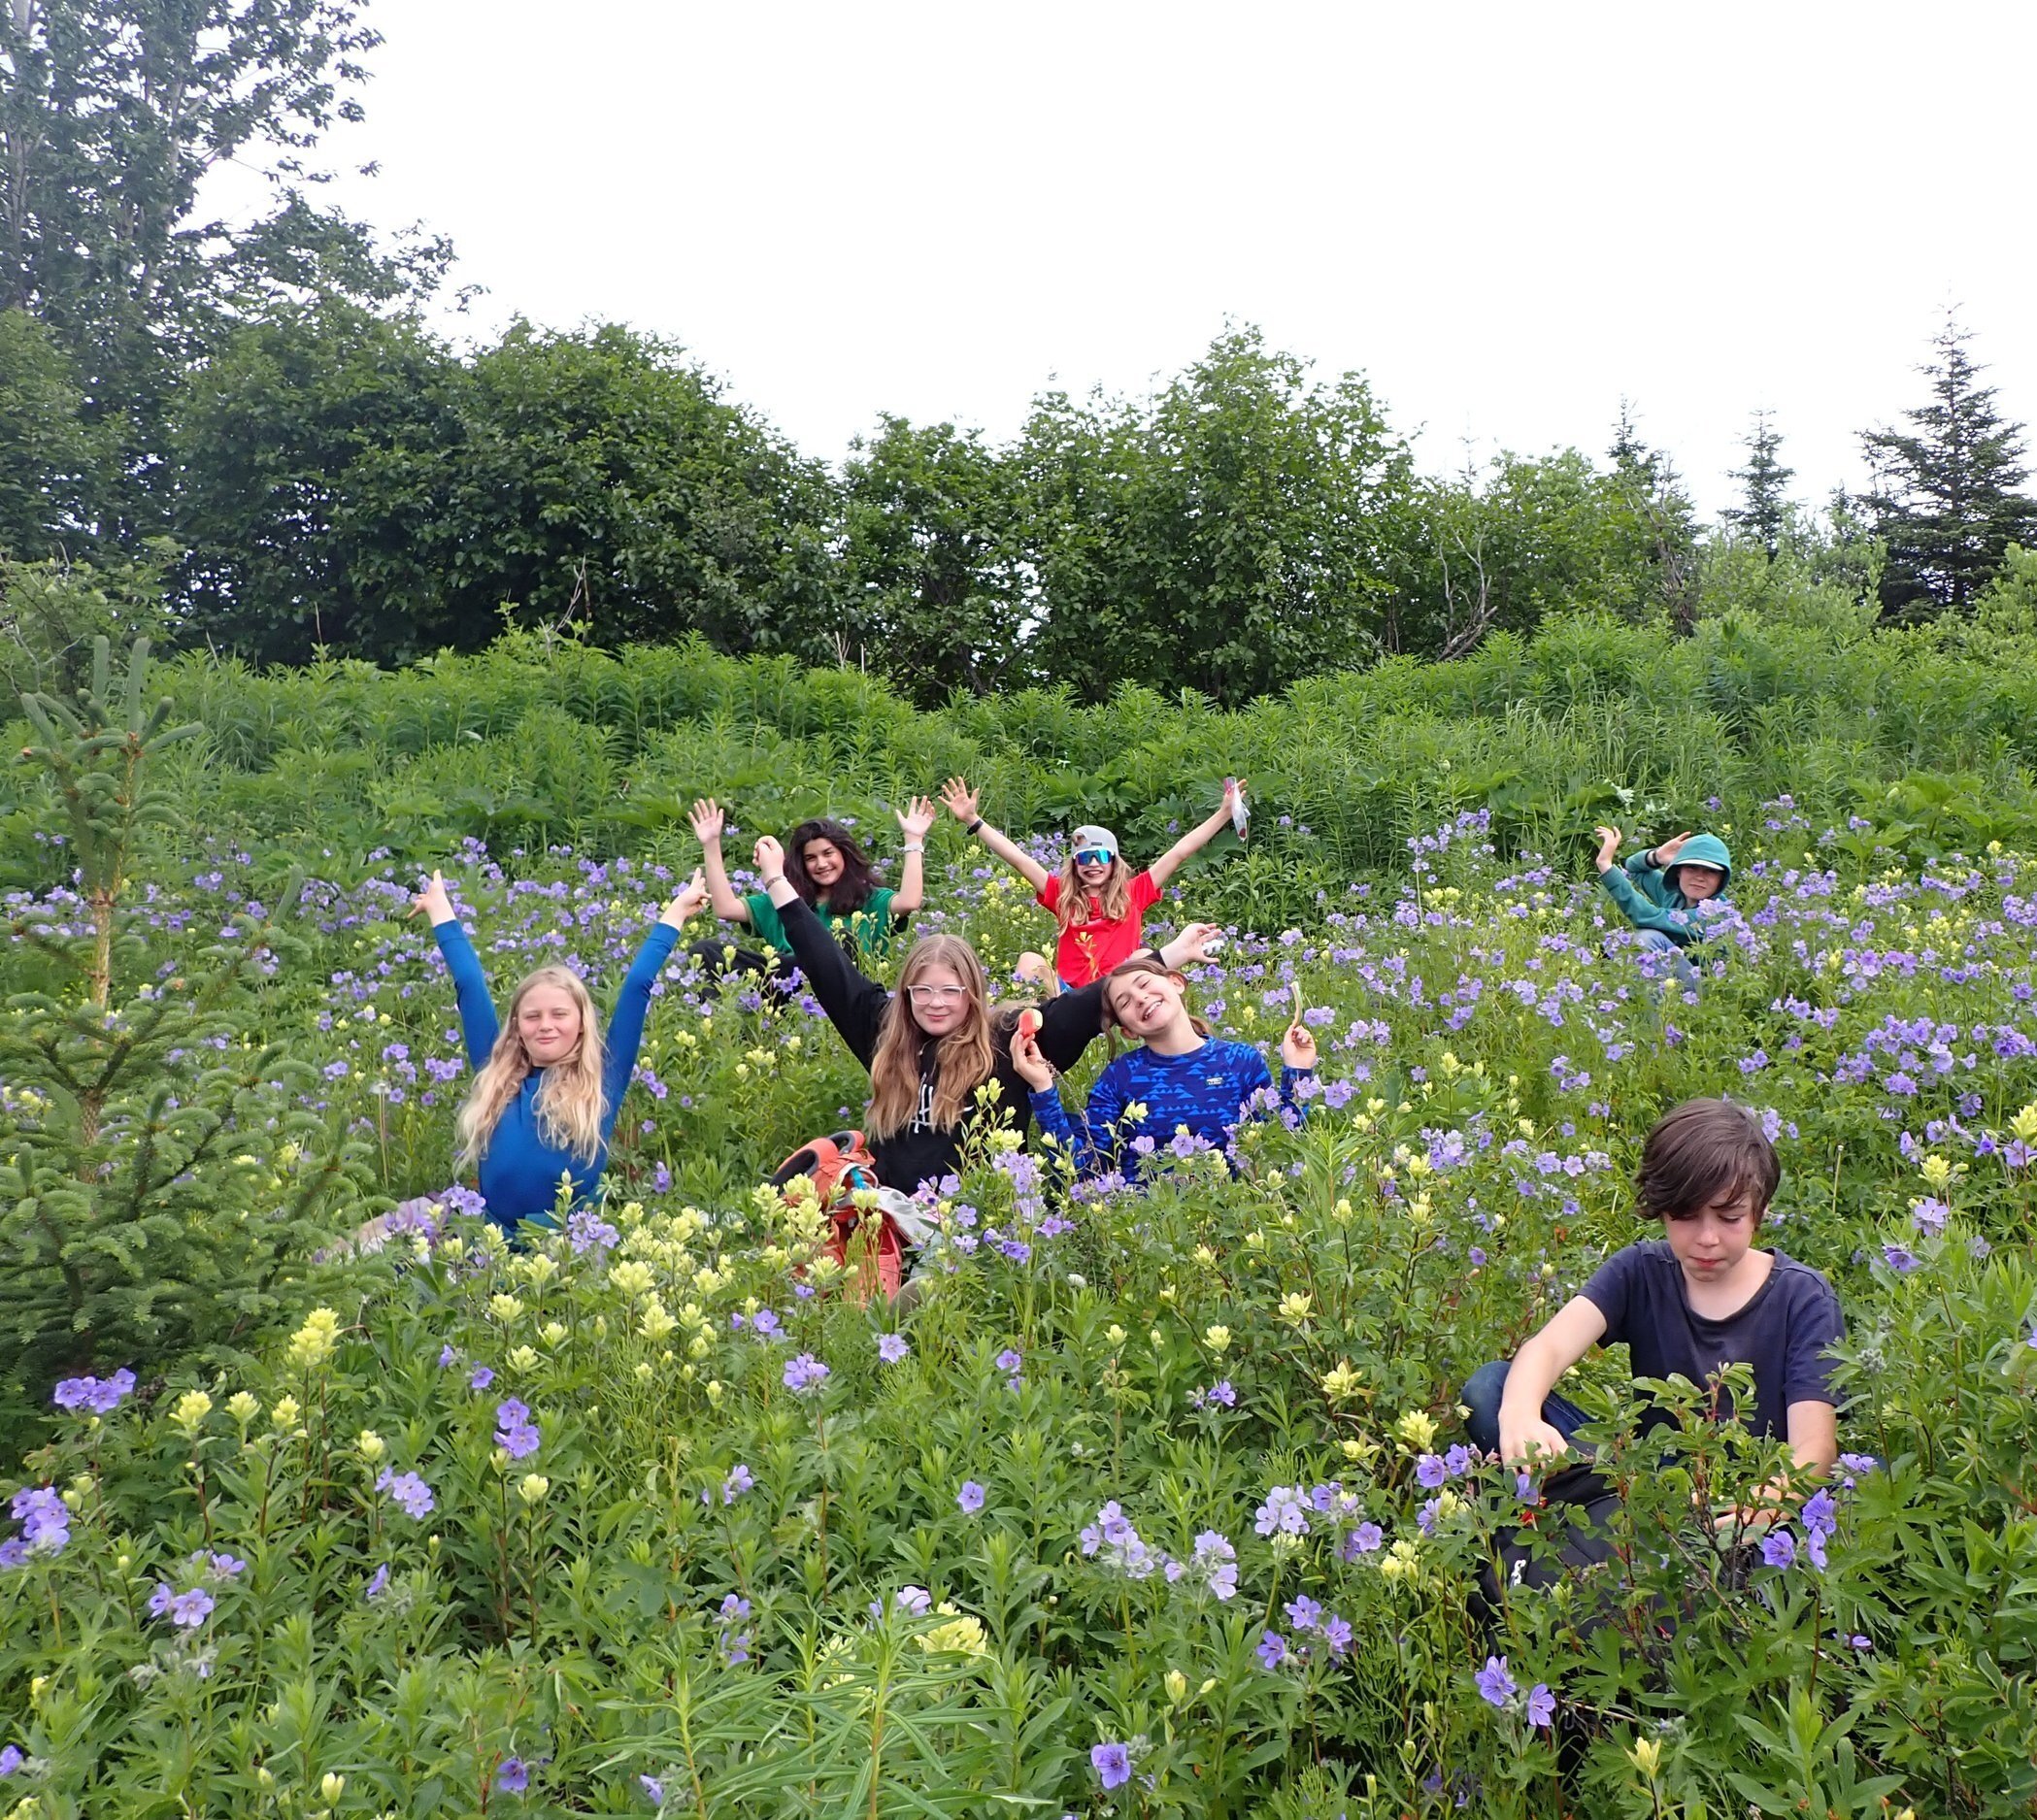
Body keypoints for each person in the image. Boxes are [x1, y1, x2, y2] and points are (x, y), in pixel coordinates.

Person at [751, 834, 1219, 1196]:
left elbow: (1094, 997)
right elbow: (826, 965)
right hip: (891, 1211)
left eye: (951, 992)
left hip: (981, 1219)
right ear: (907, 992)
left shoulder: (1010, 1037)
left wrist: (1169, 955)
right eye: (923, 991)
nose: (936, 1003)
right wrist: (777, 883)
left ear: (973, 994)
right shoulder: (884, 1028)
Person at [1461, 1099, 1843, 1483]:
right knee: (1490, 1388)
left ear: (1758, 1213)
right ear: (1661, 1210)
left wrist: (1769, 1502)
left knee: (1862, 1476)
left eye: (1729, 1217)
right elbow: (1548, 1348)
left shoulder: (1803, 1297)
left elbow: (1814, 1449)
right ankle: (1609, 1518)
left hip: (1752, 1493)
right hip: (1646, 1487)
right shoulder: (1640, 1269)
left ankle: (1600, 1524)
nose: (1707, 1238)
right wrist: (1520, 1415)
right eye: (1686, 1216)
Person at [414, 866, 708, 1235]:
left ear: (581, 1022)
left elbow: (637, 986)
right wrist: (439, 909)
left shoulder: (602, 1077)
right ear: (518, 1027)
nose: (546, 1025)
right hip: (492, 1241)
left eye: (559, 1014)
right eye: (532, 1016)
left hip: (567, 1246)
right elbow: (469, 985)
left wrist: (676, 913)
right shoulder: (496, 1073)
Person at [1013, 954, 1318, 1178]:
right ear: (1128, 1031)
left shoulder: (1241, 1061)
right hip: (1153, 1234)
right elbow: (1083, 1169)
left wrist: (1298, 1071)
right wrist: (1043, 1088)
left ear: (1176, 982)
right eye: (1125, 1002)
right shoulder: (1119, 1078)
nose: (1141, 998)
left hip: (1236, 1219)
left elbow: (1283, 1142)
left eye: (1144, 984)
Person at [940, 775, 1245, 991]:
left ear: (1113, 861)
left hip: (1118, 991)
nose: (1094, 864)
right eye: (1084, 858)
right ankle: (1027, 1040)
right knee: (1029, 961)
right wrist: (973, 821)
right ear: (1075, 865)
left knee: (1142, 957)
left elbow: (1180, 852)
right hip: (1067, 997)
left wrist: (1222, 814)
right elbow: (1019, 859)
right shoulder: (1061, 894)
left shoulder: (1134, 892)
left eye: (1100, 856)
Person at [687, 798, 935, 988]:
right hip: (787, 985)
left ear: (843, 855)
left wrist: (913, 840)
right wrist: (711, 844)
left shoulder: (870, 899)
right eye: (811, 858)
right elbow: (726, 908)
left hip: (848, 994)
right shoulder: (785, 901)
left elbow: (909, 901)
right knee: (705, 951)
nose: (821, 864)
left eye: (828, 854)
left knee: (843, 943)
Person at [1592, 825, 1733, 973]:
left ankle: (1648, 995)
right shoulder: (1675, 895)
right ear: (1678, 871)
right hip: (1672, 980)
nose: (1699, 877)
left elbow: (1644, 916)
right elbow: (1633, 868)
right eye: (1691, 867)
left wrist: (1605, 865)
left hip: (1701, 989)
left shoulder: (1715, 914)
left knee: (1647, 938)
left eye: (1711, 871)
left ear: (1721, 879)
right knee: (1617, 941)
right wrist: (1657, 856)